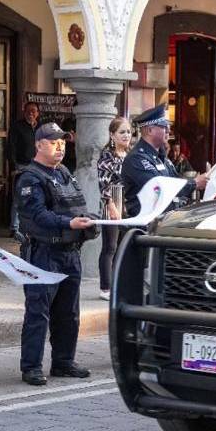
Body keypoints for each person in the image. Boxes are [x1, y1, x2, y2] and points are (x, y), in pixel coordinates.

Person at [16, 122, 97, 386]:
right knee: (39, 311)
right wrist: (68, 224)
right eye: (53, 142)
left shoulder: (64, 172)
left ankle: (63, 361)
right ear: (39, 145)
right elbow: (38, 215)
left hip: (69, 251)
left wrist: (92, 221)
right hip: (44, 252)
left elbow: (77, 206)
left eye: (62, 141)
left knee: (69, 312)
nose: (60, 146)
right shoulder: (30, 177)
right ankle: (31, 367)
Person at [121, 105, 209, 218]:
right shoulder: (137, 158)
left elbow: (176, 181)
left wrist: (199, 180)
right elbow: (159, 188)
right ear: (150, 130)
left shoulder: (162, 157)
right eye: (163, 126)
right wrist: (194, 183)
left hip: (165, 220)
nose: (168, 130)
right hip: (144, 226)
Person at [96, 116, 131, 298]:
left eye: (128, 132)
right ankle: (105, 287)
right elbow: (103, 183)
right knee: (109, 246)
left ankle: (118, 285)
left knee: (122, 246)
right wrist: (110, 205)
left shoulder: (130, 154)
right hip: (113, 201)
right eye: (122, 132)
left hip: (128, 203)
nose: (126, 135)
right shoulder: (107, 155)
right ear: (112, 134)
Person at [8, 101, 40, 241]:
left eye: (33, 111)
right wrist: (14, 165)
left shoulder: (41, 128)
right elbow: (11, 147)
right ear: (24, 112)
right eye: (28, 111)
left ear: (38, 113)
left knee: (35, 196)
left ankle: (30, 227)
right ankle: (14, 228)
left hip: (38, 166)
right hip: (22, 166)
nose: (31, 113)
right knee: (19, 197)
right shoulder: (18, 126)